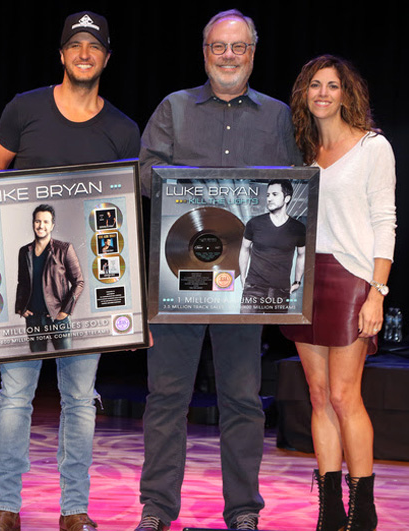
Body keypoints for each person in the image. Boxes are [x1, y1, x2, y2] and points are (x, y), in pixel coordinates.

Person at [134, 9, 302, 531]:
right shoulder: (173, 109)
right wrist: (194, 184)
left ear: (253, 52)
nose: (228, 56)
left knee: (242, 401)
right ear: (204, 52)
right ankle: (157, 510)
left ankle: (244, 510)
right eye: (218, 47)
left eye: (238, 47)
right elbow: (143, 175)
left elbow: (298, 186)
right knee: (166, 399)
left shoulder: (277, 117)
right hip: (177, 281)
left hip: (243, 289)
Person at [0, 11, 140, 531]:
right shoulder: (24, 109)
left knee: (80, 402)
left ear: (107, 57)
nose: (85, 53)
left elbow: (127, 219)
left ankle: (75, 509)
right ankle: (6, 505)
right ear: (62, 55)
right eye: (76, 45)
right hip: (26, 288)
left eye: (95, 46)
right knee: (14, 398)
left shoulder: (122, 129)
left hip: (83, 294)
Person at [280, 54, 396, 531]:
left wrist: (378, 292)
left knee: (347, 396)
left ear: (347, 94)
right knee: (319, 393)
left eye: (332, 85)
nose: (323, 93)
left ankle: (363, 509)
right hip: (305, 277)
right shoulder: (302, 151)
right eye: (314, 85)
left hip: (351, 280)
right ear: (305, 95)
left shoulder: (373, 147)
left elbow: (384, 221)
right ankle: (330, 510)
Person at [15, 204, 84, 352]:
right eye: (37, 221)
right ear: (33, 223)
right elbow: (22, 282)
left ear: (52, 225)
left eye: (46, 222)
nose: (41, 226)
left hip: (58, 318)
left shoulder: (64, 249)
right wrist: (21, 307)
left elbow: (78, 282)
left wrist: (65, 311)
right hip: (33, 319)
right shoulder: (24, 251)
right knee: (37, 358)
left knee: (66, 361)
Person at [239, 179, 306, 313]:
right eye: (268, 195)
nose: (269, 198)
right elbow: (244, 249)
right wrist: (243, 275)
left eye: (274, 194)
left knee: (273, 332)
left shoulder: (298, 228)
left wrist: (297, 281)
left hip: (281, 290)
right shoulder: (254, 223)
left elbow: (302, 254)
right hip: (254, 288)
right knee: (245, 329)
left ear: (286, 198)